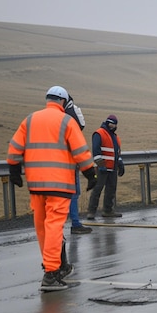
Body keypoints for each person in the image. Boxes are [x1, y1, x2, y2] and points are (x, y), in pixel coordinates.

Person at [7, 86, 97, 291]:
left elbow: (14, 148)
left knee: (42, 227)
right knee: (55, 226)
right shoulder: (67, 121)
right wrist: (90, 173)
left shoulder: (30, 120)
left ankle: (53, 265)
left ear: (48, 100)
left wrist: (13, 171)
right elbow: (81, 151)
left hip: (36, 185)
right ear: (64, 103)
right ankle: (51, 274)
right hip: (59, 185)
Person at [64, 95, 93, 234]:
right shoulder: (69, 117)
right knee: (73, 193)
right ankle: (75, 224)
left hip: (53, 165)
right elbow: (80, 124)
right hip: (68, 163)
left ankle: (59, 226)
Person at [87, 114, 124, 219]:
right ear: (107, 122)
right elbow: (96, 151)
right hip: (101, 168)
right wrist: (101, 165)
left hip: (112, 168)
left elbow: (117, 153)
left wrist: (120, 163)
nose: (113, 126)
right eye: (111, 123)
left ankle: (108, 211)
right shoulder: (99, 133)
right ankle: (91, 212)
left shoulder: (115, 137)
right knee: (97, 189)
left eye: (115, 124)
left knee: (111, 189)